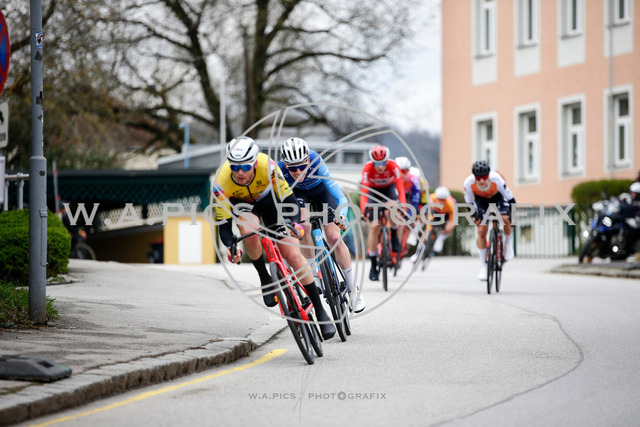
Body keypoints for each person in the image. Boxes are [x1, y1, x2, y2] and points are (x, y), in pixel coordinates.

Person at [213, 136, 336, 339]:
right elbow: (223, 225)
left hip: (271, 202)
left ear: (254, 163)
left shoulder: (268, 167)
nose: (240, 172)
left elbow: (289, 201)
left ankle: (321, 310)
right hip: (243, 205)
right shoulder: (221, 182)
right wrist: (230, 245)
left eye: (245, 166)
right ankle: (265, 276)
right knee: (249, 230)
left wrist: (294, 223)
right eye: (235, 167)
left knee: (293, 255)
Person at [278, 137, 365, 313]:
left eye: (302, 166)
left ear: (307, 161)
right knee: (304, 228)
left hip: (322, 192)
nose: (298, 171)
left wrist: (341, 215)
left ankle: (352, 289)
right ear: (285, 165)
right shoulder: (279, 170)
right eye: (292, 168)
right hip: (298, 194)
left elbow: (340, 197)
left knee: (334, 238)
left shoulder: (316, 161)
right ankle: (314, 275)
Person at [360, 145, 407, 281]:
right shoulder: (367, 168)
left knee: (393, 208)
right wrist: (364, 211)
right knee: (374, 227)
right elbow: (364, 193)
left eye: (383, 163)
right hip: (373, 192)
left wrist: (402, 208)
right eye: (377, 163)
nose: (380, 167)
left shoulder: (394, 167)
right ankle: (373, 264)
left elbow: (401, 190)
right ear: (372, 162)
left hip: (389, 190)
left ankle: (394, 234)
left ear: (387, 161)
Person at [463, 160, 516, 280]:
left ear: (488, 175)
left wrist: (512, 216)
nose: (482, 180)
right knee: (481, 231)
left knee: (506, 219)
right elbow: (469, 203)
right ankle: (484, 266)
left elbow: (511, 200)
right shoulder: (468, 183)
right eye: (478, 178)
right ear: (474, 177)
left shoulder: (496, 179)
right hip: (482, 203)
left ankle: (508, 244)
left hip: (499, 200)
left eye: (484, 177)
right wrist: (475, 215)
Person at [410, 186, 457, 262]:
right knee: (427, 231)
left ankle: (440, 238)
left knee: (449, 227)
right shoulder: (431, 198)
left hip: (446, 215)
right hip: (434, 212)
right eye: (439, 199)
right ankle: (417, 253)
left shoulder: (450, 204)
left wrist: (446, 229)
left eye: (443, 200)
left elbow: (452, 221)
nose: (441, 202)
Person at [395, 157, 421, 259]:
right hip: (396, 197)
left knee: (409, 221)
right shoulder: (392, 179)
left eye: (404, 171)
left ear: (408, 171)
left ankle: (404, 245)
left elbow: (415, 202)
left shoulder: (414, 181)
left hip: (409, 198)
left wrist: (411, 217)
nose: (402, 174)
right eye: (399, 171)